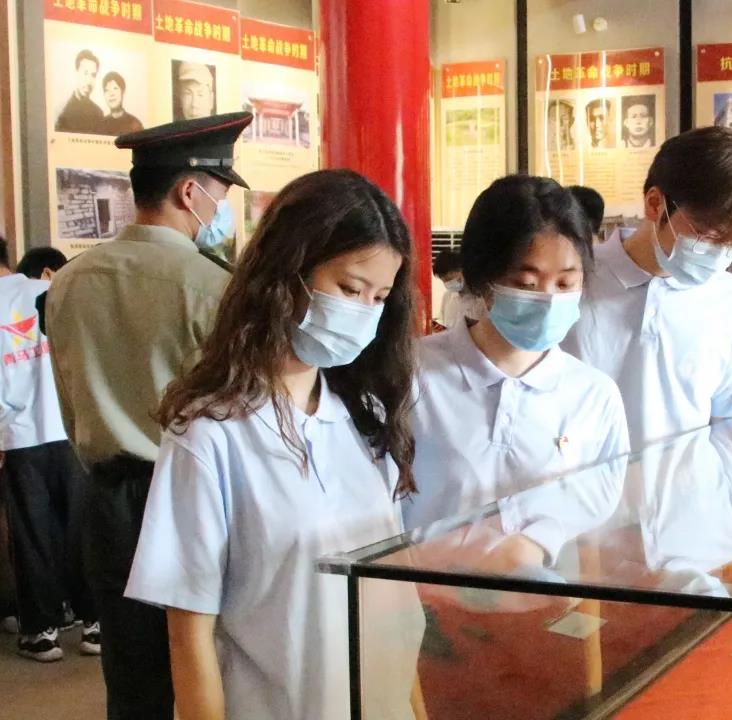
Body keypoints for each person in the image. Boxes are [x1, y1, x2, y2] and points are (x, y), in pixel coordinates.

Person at [126, 169, 424, 720]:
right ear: (289, 273)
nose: (363, 310)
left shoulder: (365, 416)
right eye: (349, 289)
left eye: (379, 297)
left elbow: (397, 603)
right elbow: (189, 635)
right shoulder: (210, 432)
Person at [44, 112, 251, 719]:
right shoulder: (213, 288)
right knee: (211, 665)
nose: (219, 211)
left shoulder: (69, 282)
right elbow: (236, 409)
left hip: (107, 499)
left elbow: (69, 398)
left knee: (133, 677)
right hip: (192, 499)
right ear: (189, 191)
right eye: (219, 196)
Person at [404, 175, 629, 534]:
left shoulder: (593, 396)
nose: (549, 299)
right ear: (481, 279)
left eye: (566, 283)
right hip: (415, 572)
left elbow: (595, 517)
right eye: (526, 284)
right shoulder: (412, 375)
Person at [563, 126, 732, 446]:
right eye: (708, 238)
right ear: (654, 204)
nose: (719, 258)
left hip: (689, 478)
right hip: (582, 475)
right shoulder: (575, 281)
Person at [0, 241, 97, 662]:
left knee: (32, 535)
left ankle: (42, 632)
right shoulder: (49, 291)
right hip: (71, 429)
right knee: (80, 528)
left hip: (19, 438)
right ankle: (95, 623)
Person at [55, 49, 104, 134]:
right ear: (76, 73)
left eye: (93, 75)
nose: (89, 81)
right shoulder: (62, 112)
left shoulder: (98, 113)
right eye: (85, 73)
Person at [433, 248, 465, 330]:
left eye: (449, 279)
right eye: (444, 281)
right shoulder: (447, 296)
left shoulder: (479, 297)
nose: (448, 283)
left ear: (461, 270)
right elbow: (443, 321)